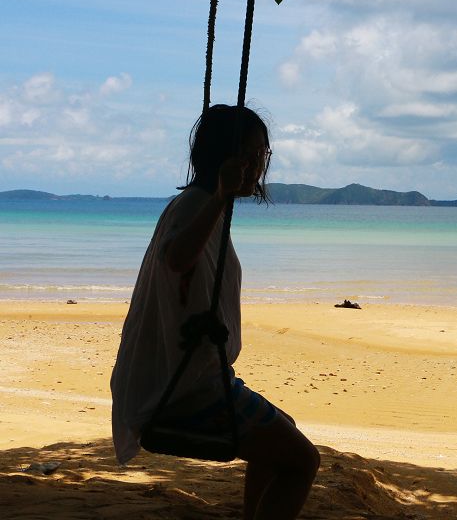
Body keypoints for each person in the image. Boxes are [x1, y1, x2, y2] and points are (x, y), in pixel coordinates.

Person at [111, 104, 319, 520]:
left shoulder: (204, 206)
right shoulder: (197, 204)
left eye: (264, 153)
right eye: (255, 153)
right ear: (230, 159)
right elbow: (177, 257)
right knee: (302, 461)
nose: (260, 164)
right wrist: (221, 195)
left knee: (284, 435)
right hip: (185, 391)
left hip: (197, 379)